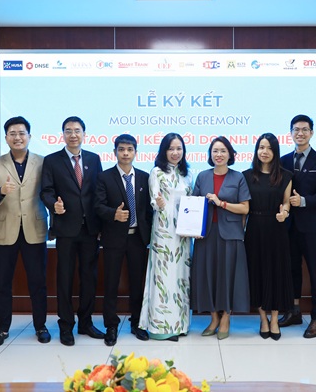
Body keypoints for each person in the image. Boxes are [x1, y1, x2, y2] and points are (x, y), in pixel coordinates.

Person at [0, 116, 50, 347]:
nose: (17, 137)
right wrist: (0, 190)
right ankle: (2, 329)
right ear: (6, 137)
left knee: (38, 282)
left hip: (34, 229)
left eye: (22, 133)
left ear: (29, 136)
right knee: (2, 283)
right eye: (13, 133)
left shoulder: (43, 162)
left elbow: (49, 191)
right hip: (4, 230)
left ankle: (40, 326)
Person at [40, 116, 104, 346]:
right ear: (63, 134)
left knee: (89, 277)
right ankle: (66, 325)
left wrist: (101, 224)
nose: (73, 134)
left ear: (84, 134)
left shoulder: (94, 159)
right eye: (68, 130)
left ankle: (86, 323)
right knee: (65, 278)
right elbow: (46, 191)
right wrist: (53, 206)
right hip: (66, 228)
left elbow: (99, 192)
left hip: (90, 229)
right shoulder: (51, 161)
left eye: (77, 130)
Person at [95, 134, 152, 347]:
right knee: (111, 283)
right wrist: (113, 214)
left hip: (138, 238)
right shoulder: (104, 177)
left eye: (129, 149)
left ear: (136, 152)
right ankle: (111, 325)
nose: (125, 153)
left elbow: (148, 210)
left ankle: (137, 322)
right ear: (115, 152)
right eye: (121, 149)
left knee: (137, 282)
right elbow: (97, 206)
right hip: (113, 238)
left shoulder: (145, 177)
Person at [191, 136, 251, 340]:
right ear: (210, 154)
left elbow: (245, 208)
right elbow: (195, 205)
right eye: (215, 151)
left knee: (227, 277)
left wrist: (221, 203)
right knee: (208, 276)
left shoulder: (238, 177)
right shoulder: (202, 176)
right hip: (206, 234)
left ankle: (226, 317)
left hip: (230, 234)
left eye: (223, 151)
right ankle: (214, 318)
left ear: (230, 154)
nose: (219, 154)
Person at [279, 114, 316, 339]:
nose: (300, 133)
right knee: (292, 270)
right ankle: (293, 311)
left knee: (315, 272)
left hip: (311, 226)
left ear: (311, 132)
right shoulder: (283, 161)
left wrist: (303, 201)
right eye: (296, 129)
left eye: (304, 129)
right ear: (291, 133)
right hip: (288, 226)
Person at [140, 133, 194, 342]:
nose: (175, 152)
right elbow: (154, 199)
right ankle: (160, 327)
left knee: (181, 277)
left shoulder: (188, 174)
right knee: (163, 277)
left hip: (184, 232)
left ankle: (180, 325)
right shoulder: (156, 172)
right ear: (164, 151)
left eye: (179, 148)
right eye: (171, 148)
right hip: (163, 231)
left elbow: (192, 202)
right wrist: (158, 203)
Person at [243, 133, 293, 341]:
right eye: (261, 147)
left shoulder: (285, 175)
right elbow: (244, 207)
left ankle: (274, 319)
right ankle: (263, 319)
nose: (264, 152)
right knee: (258, 274)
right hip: (254, 229)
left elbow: (287, 202)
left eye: (269, 148)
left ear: (275, 151)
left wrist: (285, 212)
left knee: (276, 274)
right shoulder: (247, 176)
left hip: (276, 229)